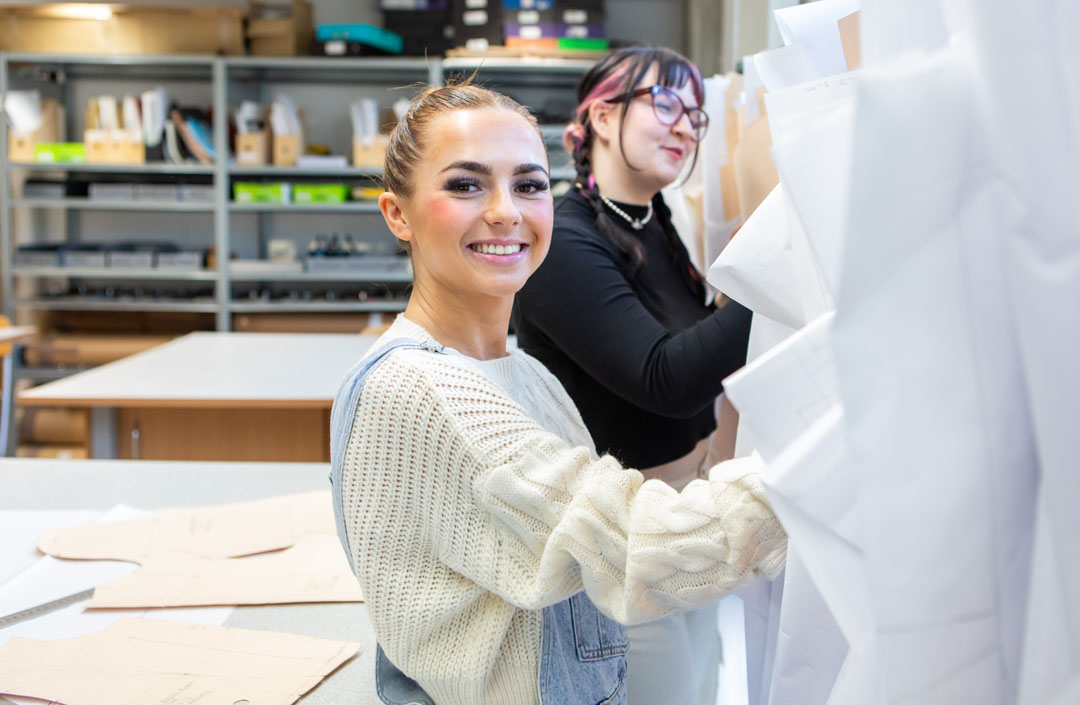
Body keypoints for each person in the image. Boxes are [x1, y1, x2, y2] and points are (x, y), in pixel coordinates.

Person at [330, 80, 785, 705]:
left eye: (529, 184)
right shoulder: (426, 390)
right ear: (397, 214)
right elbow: (630, 544)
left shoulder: (523, 374)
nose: (505, 211)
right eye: (465, 184)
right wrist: (823, 471)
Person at [511, 46, 753, 705]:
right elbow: (664, 378)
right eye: (666, 103)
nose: (684, 125)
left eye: (695, 114)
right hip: (625, 537)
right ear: (600, 116)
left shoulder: (655, 220)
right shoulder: (563, 239)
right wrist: (774, 277)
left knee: (703, 681)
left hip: (686, 512)